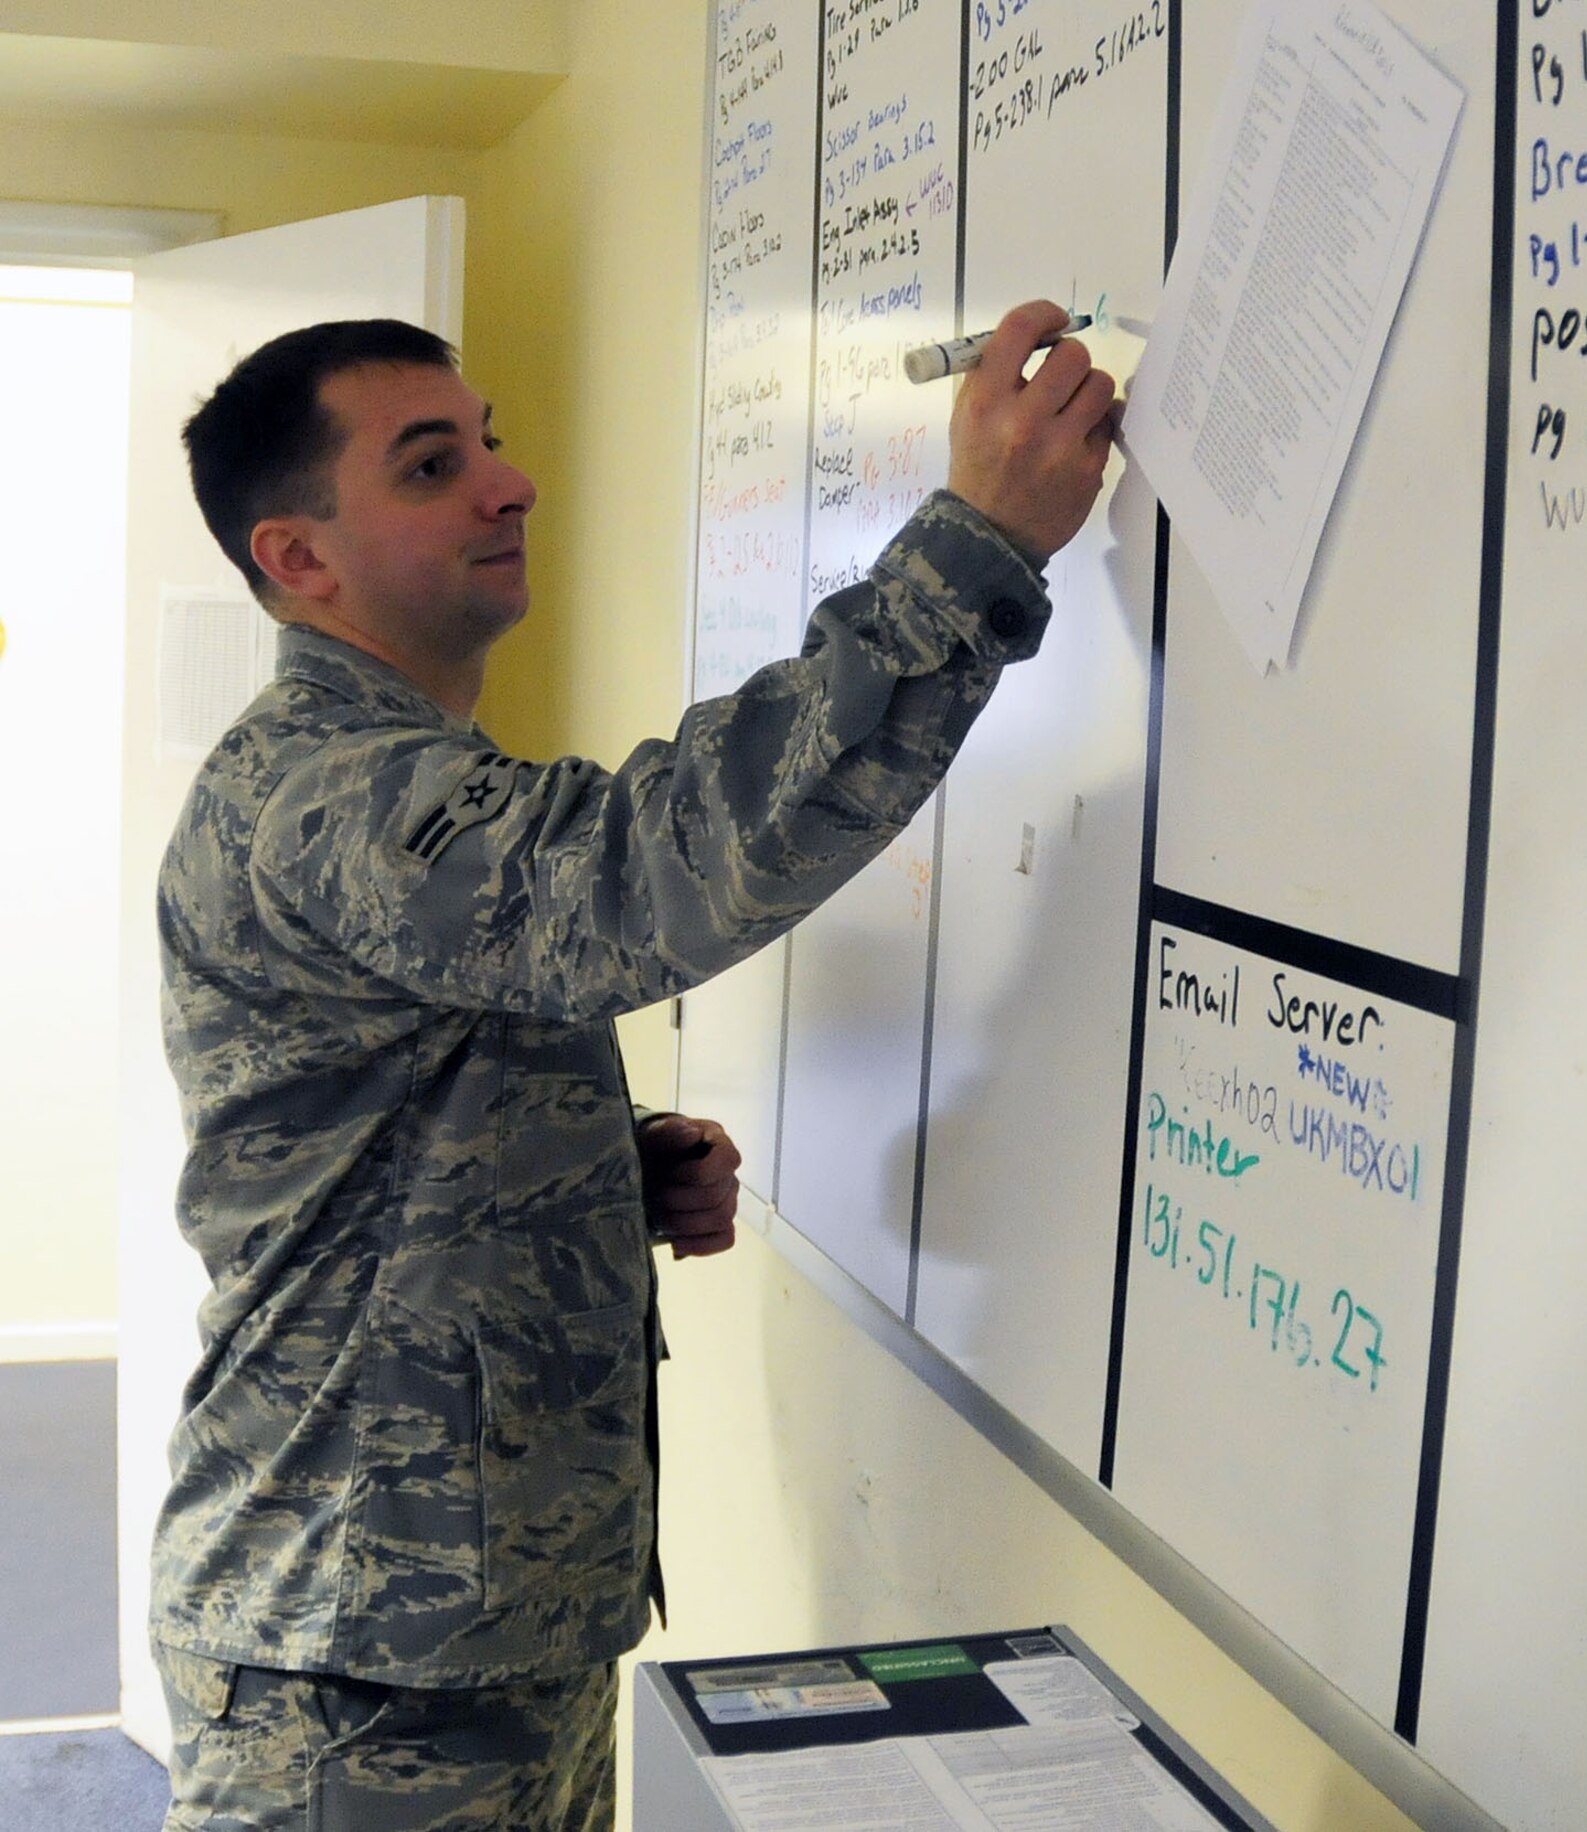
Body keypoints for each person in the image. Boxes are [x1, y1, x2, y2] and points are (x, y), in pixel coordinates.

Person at [151, 302, 1116, 1829]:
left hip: (478, 1627)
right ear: (300, 559)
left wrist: (598, 1160)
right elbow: (635, 882)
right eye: (428, 466)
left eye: (491, 446)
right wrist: (974, 548)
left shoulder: (407, 773)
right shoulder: (326, 791)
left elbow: (401, 1088)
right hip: (359, 1670)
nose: (508, 485)